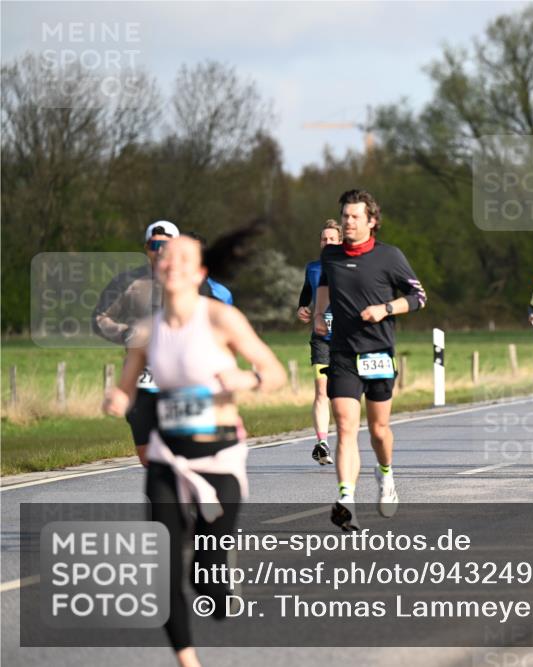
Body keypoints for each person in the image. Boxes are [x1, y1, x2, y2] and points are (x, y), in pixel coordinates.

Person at [103, 234, 286, 667]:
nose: (172, 262)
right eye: (166, 256)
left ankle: (217, 589)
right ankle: (189, 662)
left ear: (200, 272)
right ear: (157, 269)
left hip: (219, 458)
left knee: (207, 580)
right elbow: (127, 389)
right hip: (167, 458)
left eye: (184, 257)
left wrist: (247, 380)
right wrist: (117, 400)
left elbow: (273, 371)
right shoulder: (147, 331)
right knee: (163, 575)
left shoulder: (223, 319)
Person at [314, 189, 427, 530]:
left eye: (354, 217)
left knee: (379, 431)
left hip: (378, 352)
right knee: (346, 427)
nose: (348, 222)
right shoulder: (331, 256)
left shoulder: (389, 257)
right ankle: (346, 499)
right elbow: (323, 283)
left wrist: (386, 308)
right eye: (345, 216)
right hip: (343, 353)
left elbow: (419, 296)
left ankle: (386, 474)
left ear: (372, 221)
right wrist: (320, 313)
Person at [93, 220, 181, 466]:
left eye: (166, 245)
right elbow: (100, 318)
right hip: (141, 375)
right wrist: (127, 333)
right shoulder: (127, 282)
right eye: (155, 245)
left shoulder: (192, 282)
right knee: (147, 456)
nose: (160, 250)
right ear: (146, 248)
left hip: (179, 375)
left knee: (179, 448)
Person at [296, 221, 343, 464]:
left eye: (332, 239)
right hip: (322, 338)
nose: (327, 243)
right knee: (321, 391)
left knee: (343, 395)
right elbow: (306, 294)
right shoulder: (313, 268)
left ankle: (346, 439)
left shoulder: (350, 267)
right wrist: (302, 309)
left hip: (346, 339)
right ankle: (322, 443)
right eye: (324, 239)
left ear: (341, 241)